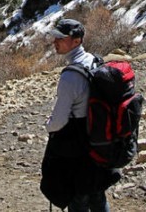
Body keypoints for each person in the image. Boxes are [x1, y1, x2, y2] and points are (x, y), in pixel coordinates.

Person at [40, 18, 116, 212]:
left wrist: (48, 126)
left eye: (60, 38)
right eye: (55, 37)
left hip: (77, 146)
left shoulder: (70, 76)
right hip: (98, 139)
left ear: (76, 41)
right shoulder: (93, 60)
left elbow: (59, 121)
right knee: (97, 194)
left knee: (77, 198)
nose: (55, 42)